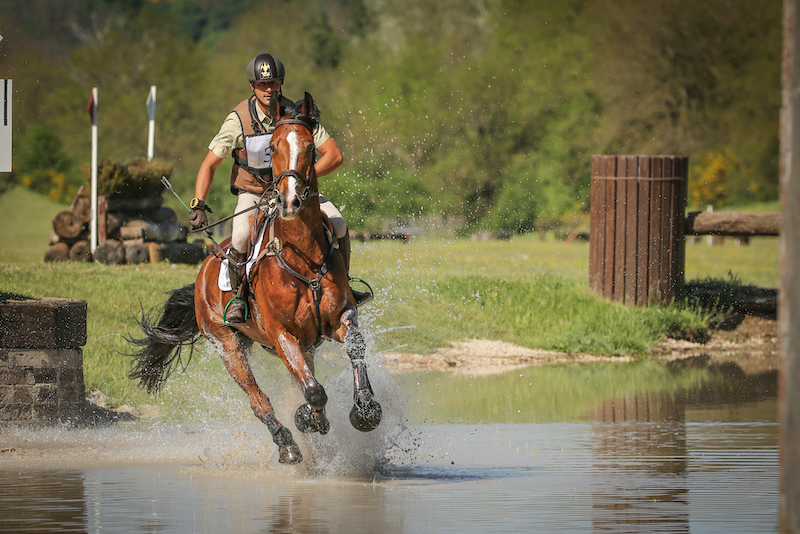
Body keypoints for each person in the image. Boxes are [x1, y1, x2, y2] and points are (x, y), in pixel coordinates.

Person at [189, 52, 371, 325]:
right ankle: (239, 297)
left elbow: (334, 155)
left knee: (339, 224)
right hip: (254, 192)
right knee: (239, 236)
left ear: (281, 83)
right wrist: (198, 204)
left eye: (273, 83)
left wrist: (300, 182)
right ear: (252, 86)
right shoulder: (237, 120)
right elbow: (209, 164)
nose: (269, 89)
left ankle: (344, 289)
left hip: (295, 192)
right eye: (263, 84)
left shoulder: (297, 115)